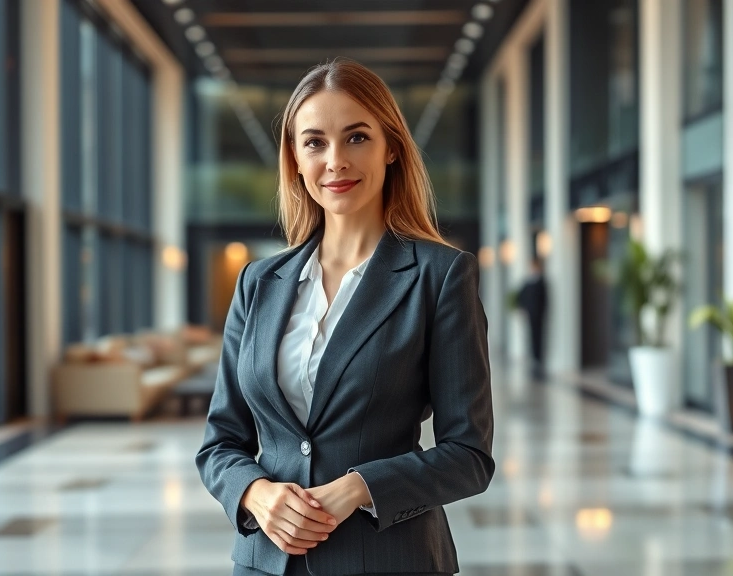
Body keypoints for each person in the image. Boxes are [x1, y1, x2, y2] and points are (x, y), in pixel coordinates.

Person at [196, 59, 495, 576]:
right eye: (314, 142)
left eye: (356, 137)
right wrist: (255, 493)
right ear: (294, 158)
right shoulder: (258, 283)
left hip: (389, 560)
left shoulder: (441, 276)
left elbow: (469, 455)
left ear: (392, 147)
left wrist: (359, 488)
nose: (335, 161)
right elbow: (220, 441)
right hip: (266, 563)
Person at [515, 258, 548, 380]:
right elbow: (520, 296)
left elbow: (545, 300)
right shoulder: (528, 282)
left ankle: (538, 359)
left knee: (539, 337)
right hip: (530, 314)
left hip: (539, 315)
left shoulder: (541, 281)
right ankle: (533, 358)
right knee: (531, 336)